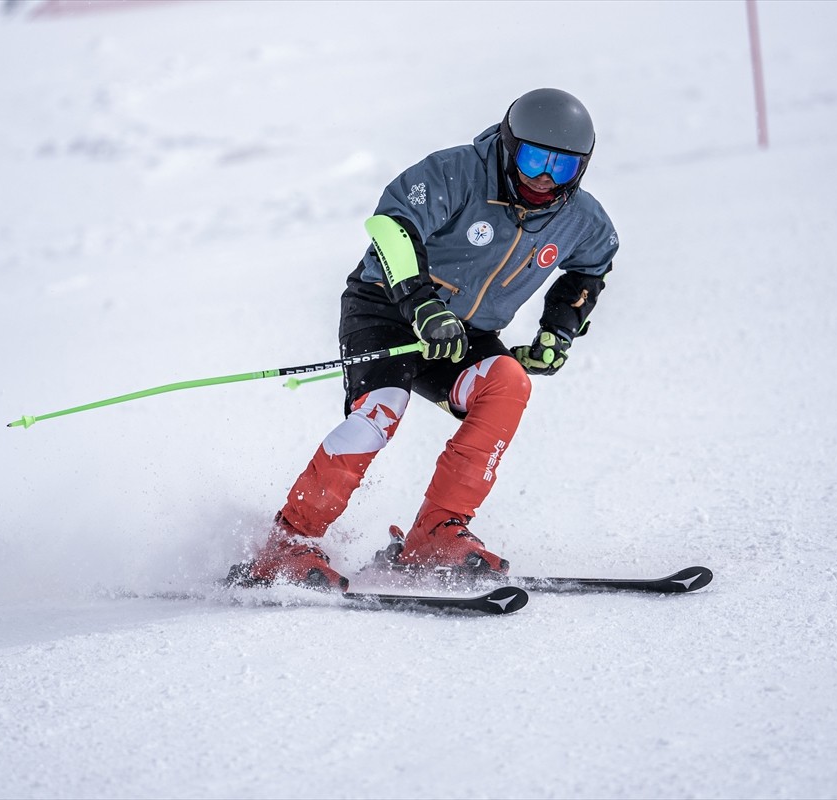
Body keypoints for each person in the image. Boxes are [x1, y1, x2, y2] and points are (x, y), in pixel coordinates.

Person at [230, 88, 619, 591]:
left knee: (508, 383)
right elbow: (392, 229)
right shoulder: (457, 172)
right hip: (386, 307)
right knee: (381, 408)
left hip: (464, 334)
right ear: (507, 145)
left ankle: (435, 535)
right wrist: (422, 304)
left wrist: (556, 333)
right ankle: (286, 543)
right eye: (532, 157)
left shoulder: (580, 219)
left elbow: (592, 266)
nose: (544, 176)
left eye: (561, 167)